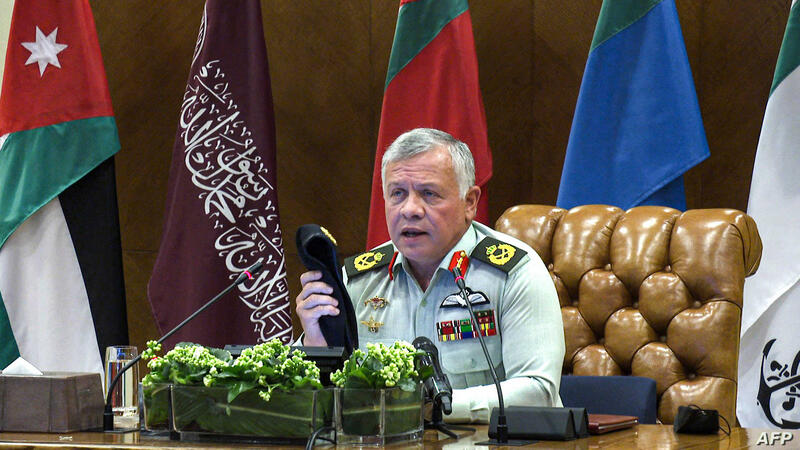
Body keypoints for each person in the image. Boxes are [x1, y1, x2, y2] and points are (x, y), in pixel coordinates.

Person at [295, 128, 564, 423]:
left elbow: (538, 392)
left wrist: (430, 408)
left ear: (470, 202)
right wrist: (316, 346)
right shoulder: (360, 280)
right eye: (397, 194)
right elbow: (305, 401)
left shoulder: (513, 273)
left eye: (429, 194)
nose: (410, 209)